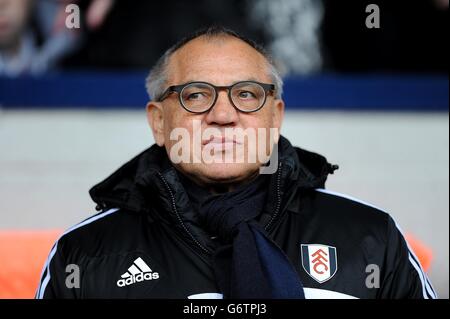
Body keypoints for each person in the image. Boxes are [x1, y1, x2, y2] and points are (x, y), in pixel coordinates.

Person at [36, 26, 436, 299]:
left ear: (275, 117)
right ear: (159, 122)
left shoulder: (370, 236)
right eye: (195, 95)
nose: (223, 115)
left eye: (246, 94)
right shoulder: (86, 254)